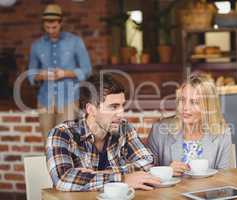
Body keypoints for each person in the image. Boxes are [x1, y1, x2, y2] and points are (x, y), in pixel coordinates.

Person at [46, 74, 161, 191]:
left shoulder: (124, 128)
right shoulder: (62, 134)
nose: (121, 114)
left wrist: (102, 174)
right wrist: (123, 179)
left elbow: (148, 162)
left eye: (122, 106)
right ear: (91, 109)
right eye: (113, 107)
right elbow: (63, 179)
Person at [27, 4, 92, 141]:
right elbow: (31, 75)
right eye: (47, 28)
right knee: (48, 143)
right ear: (43, 25)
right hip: (45, 100)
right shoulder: (36, 46)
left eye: (54, 27)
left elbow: (87, 69)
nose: (51, 31)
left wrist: (65, 73)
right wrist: (42, 75)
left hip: (69, 99)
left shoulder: (75, 41)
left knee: (65, 141)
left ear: (61, 23)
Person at [147, 73, 232, 176]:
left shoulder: (222, 133)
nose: (185, 107)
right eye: (182, 100)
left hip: (207, 191)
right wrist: (166, 171)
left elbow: (224, 177)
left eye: (194, 102)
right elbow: (145, 172)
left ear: (208, 107)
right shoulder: (159, 130)